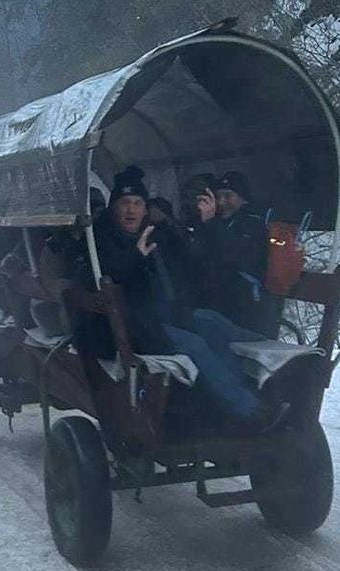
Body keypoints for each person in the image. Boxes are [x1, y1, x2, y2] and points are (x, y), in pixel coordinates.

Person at [77, 165, 267, 427]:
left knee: (212, 324)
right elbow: (95, 278)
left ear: (145, 208)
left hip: (161, 314)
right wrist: (135, 258)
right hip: (128, 326)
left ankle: (238, 396)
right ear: (114, 207)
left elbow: (194, 260)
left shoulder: (157, 234)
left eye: (137, 203)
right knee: (194, 344)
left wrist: (207, 223)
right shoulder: (100, 236)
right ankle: (247, 411)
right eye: (124, 203)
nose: (131, 209)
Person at [191, 169, 282, 337]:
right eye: (218, 197)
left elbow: (232, 255)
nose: (222, 202)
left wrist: (210, 222)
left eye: (228, 196)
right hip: (222, 306)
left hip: (248, 312)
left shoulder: (254, 223)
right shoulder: (219, 223)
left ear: (243, 198)